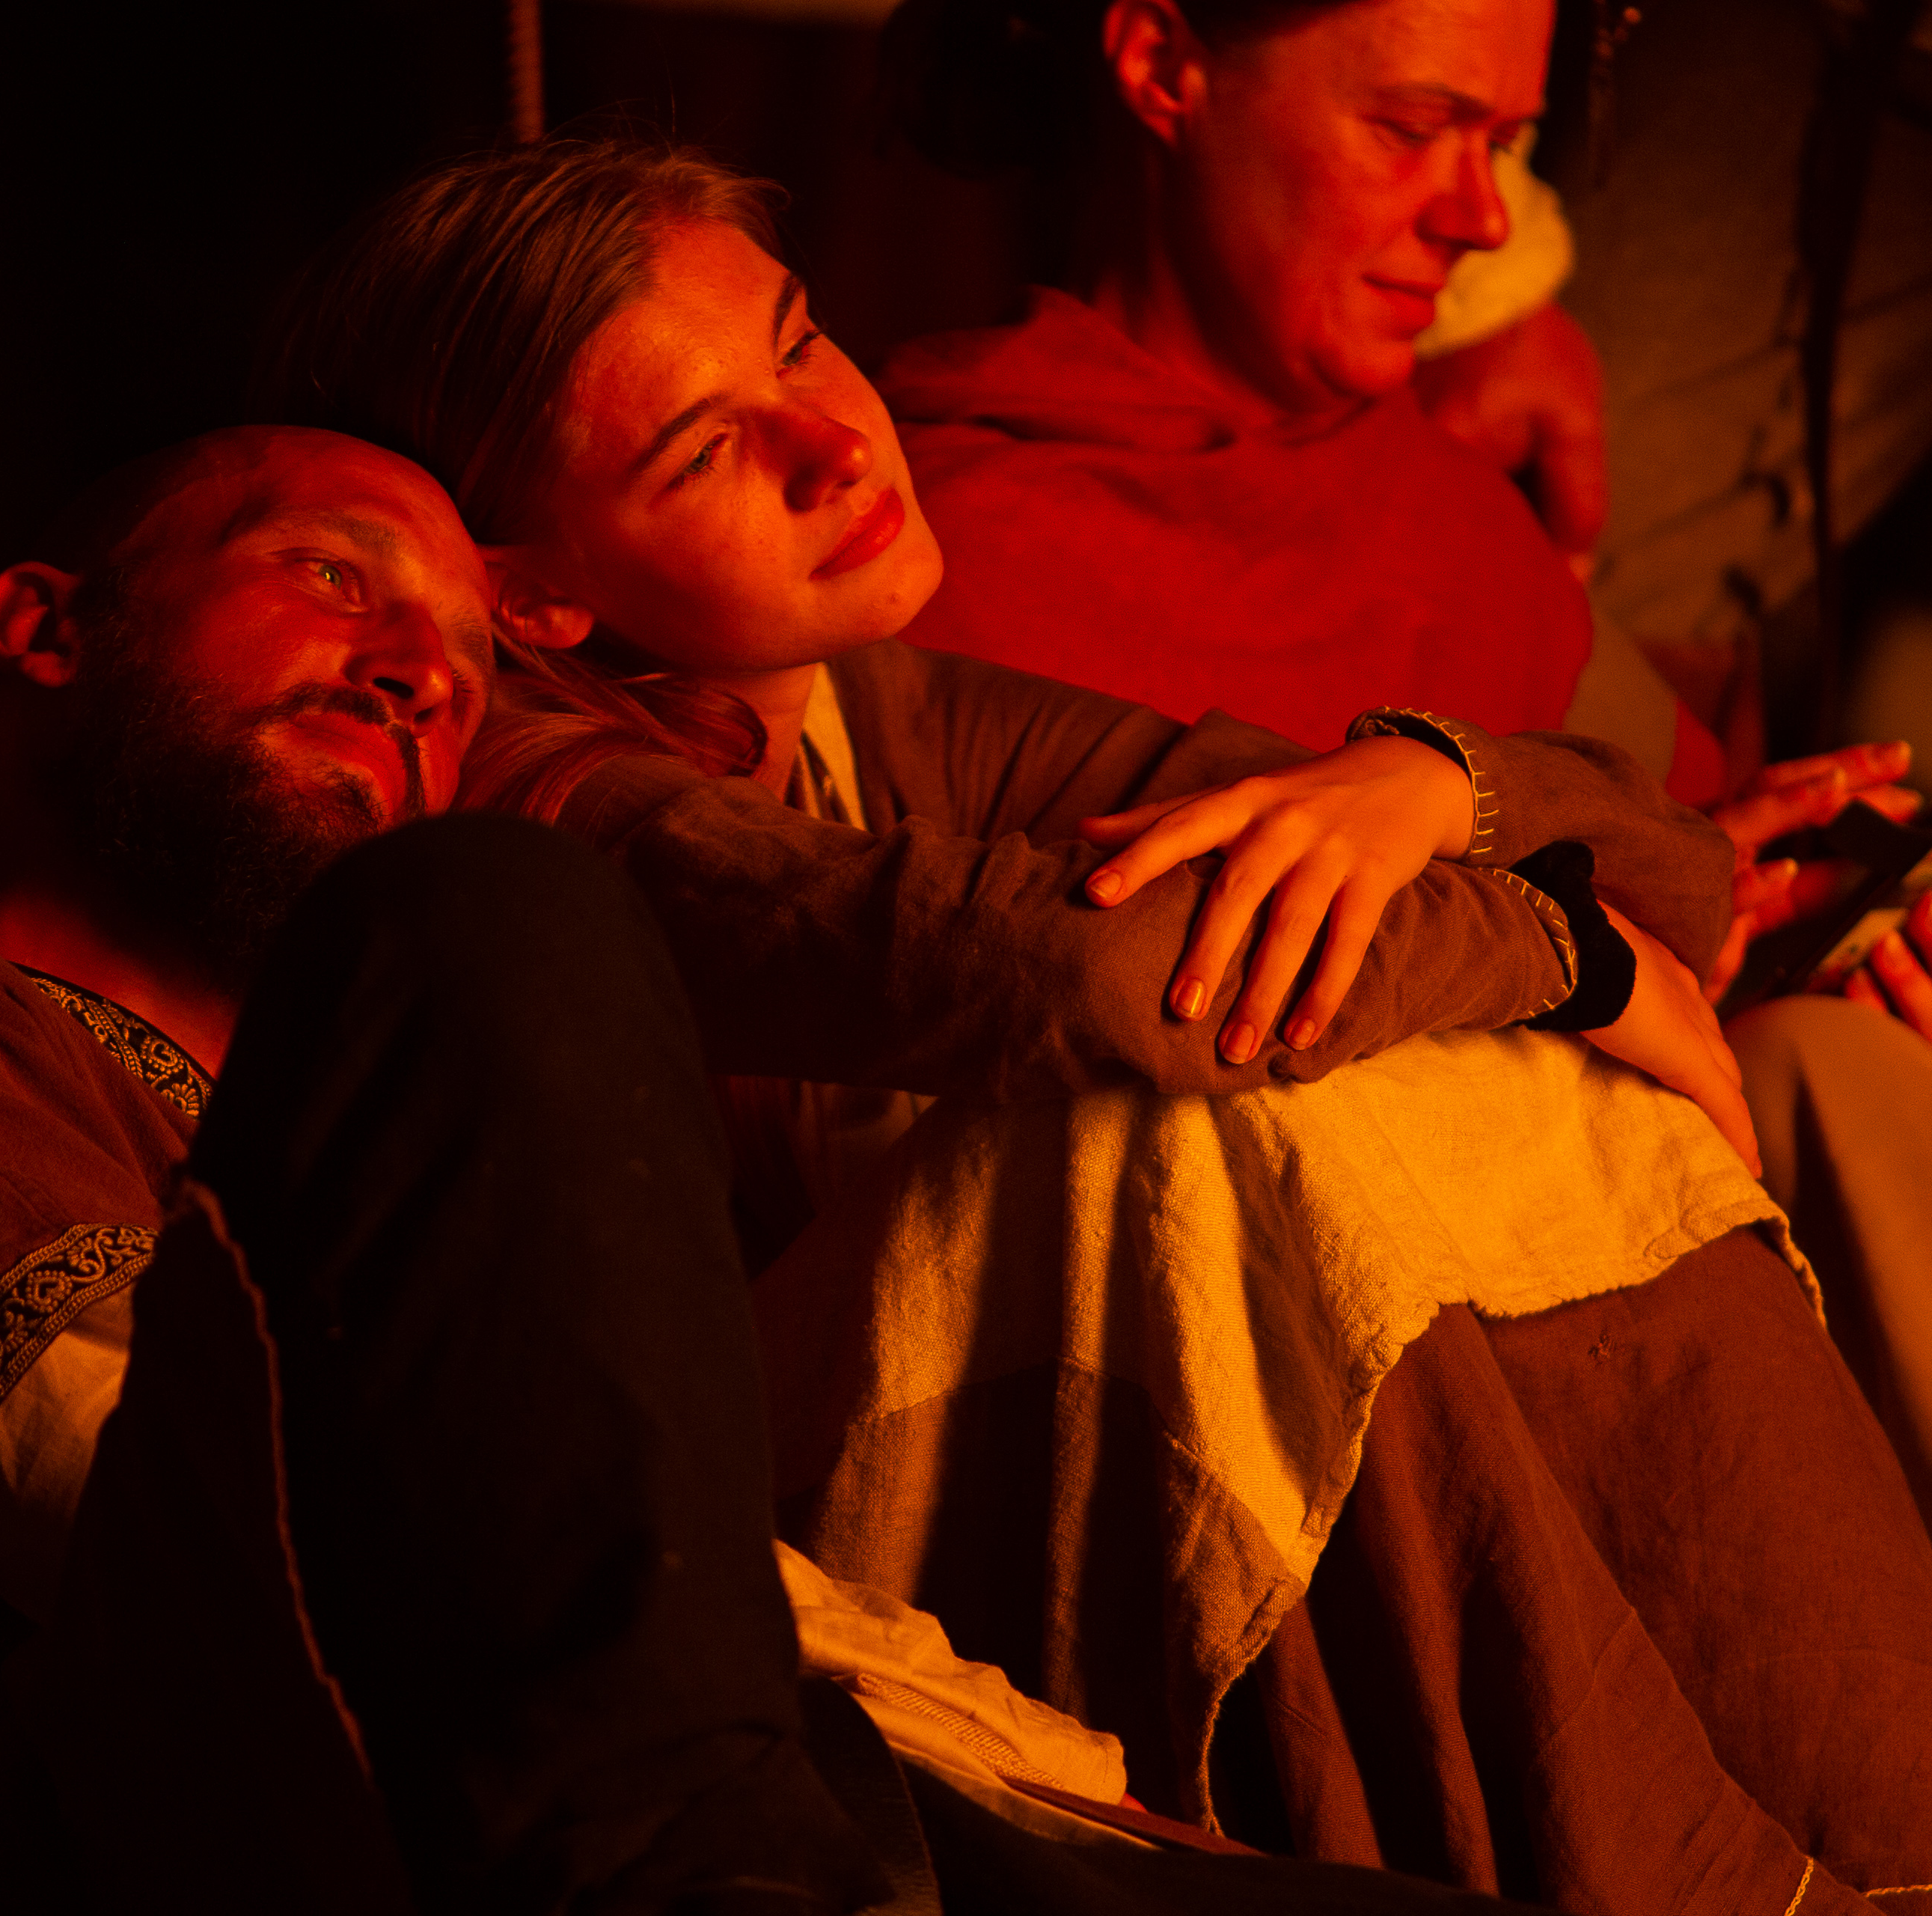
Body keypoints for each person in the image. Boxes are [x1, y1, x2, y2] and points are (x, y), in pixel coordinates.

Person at [0, 423, 1534, 1913]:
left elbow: (605, 1593)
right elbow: (104, 1475)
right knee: (492, 915)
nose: (424, 673)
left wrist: (1079, 1816)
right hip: (127, 1837)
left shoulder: (420, 1160)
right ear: (47, 628)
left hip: (654, 1809)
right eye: (335, 579)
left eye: (471, 662)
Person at [258, 135, 1932, 1912]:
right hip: (768, 1583)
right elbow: (1107, 976)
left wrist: (1429, 785)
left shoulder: (865, 692)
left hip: (1006, 1449)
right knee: (1201, 1117)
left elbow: (1656, 859)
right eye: (703, 449)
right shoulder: (550, 798)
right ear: (535, 597)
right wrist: (1573, 956)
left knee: (1449, 1043)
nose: (837, 444)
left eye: (803, 340)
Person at [872, 0, 1932, 1513]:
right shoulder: (940, 552)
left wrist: (1792, 909)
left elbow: (1682, 871)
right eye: (1412, 129)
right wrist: (1565, 908)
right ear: (1163, 65)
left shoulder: (1458, 515)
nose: (1484, 217)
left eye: (1507, 144)